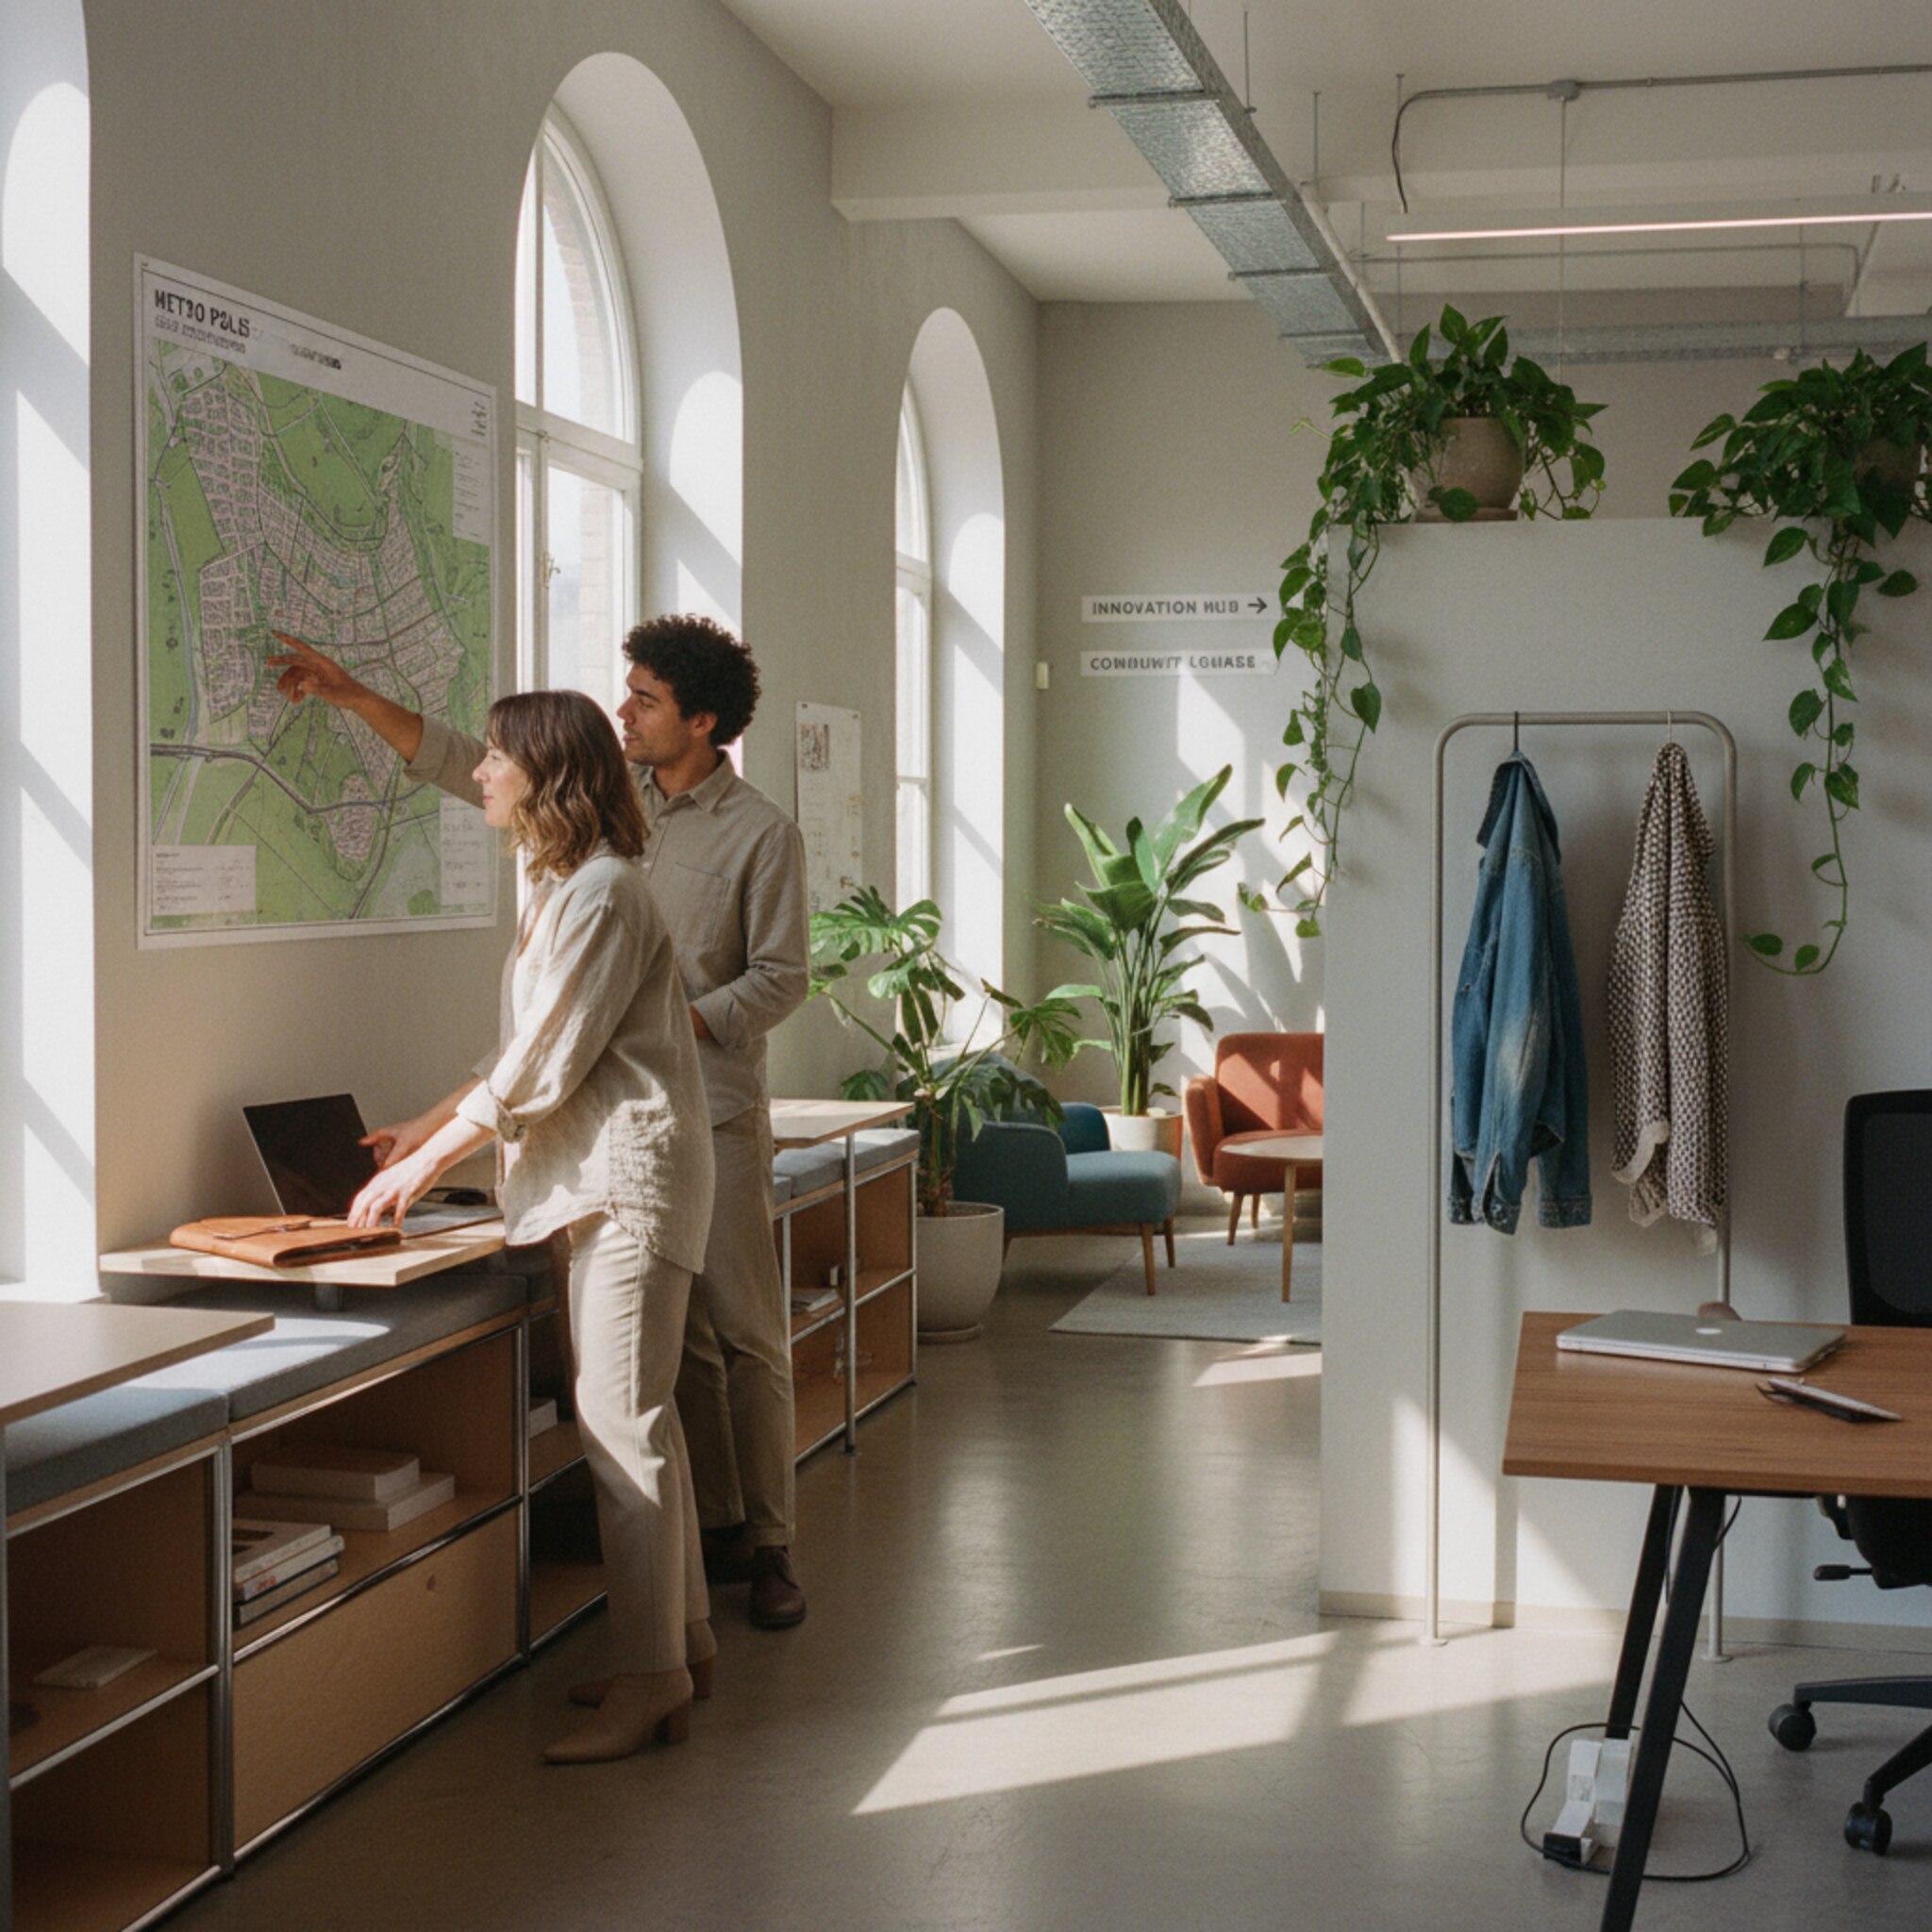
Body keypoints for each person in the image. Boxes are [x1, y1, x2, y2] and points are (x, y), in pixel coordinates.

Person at [273, 616, 813, 1628]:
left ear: (703, 720)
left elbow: (780, 975)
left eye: (647, 698)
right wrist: (352, 697)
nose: (626, 711)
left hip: (697, 1115)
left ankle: (768, 1546)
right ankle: (709, 1544)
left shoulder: (754, 834)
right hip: (588, 1117)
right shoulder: (599, 819)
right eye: (627, 694)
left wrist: (657, 1009)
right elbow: (463, 764)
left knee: (742, 1333)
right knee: (675, 1358)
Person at [345, 690, 716, 1762]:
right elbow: (535, 1046)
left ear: (545, 774)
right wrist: (424, 1121)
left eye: (497, 758)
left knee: (619, 1433)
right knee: (646, 1426)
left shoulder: (601, 892)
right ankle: (680, 1645)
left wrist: (425, 1162)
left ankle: (650, 1679)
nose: (479, 774)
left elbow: (542, 1063)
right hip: (604, 1183)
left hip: (625, 1188)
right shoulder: (563, 881)